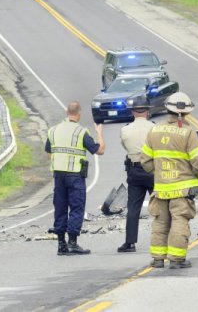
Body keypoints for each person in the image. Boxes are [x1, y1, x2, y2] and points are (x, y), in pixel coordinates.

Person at [141, 92, 198, 269]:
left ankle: (157, 258)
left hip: (161, 187)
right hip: (183, 189)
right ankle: (177, 259)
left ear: (167, 108)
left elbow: (145, 161)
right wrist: (197, 176)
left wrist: (161, 172)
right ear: (187, 113)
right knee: (179, 221)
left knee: (160, 222)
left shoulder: (154, 130)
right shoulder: (188, 133)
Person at [45, 101, 105, 255]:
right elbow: (100, 150)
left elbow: (49, 152)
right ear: (79, 114)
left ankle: (61, 245)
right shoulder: (81, 132)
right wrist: (99, 132)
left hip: (58, 175)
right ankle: (72, 243)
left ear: (66, 112)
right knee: (77, 207)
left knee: (60, 208)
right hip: (75, 175)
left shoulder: (53, 131)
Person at [117, 97, 155, 253]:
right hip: (153, 169)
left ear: (132, 112)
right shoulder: (154, 128)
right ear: (147, 111)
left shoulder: (125, 129)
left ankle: (130, 242)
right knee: (160, 206)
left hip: (135, 171)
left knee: (133, 208)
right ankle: (164, 237)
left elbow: (125, 146)